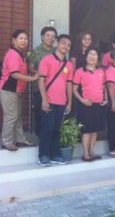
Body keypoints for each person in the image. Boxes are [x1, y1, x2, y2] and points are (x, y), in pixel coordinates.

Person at [37, 34, 73, 166]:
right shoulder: (47, 60)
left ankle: (55, 155)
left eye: (68, 45)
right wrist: (44, 100)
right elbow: (41, 81)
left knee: (57, 129)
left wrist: (69, 102)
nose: (66, 46)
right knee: (47, 128)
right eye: (63, 43)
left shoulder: (69, 64)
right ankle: (43, 155)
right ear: (57, 44)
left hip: (61, 102)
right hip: (49, 100)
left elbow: (69, 84)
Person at [0, 29, 39, 151]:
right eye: (21, 38)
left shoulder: (20, 54)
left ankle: (20, 139)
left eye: (25, 39)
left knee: (17, 116)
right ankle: (6, 141)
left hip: (16, 90)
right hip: (9, 89)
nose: (23, 41)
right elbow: (14, 74)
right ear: (14, 40)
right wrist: (32, 78)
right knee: (11, 116)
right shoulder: (12, 54)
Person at [73, 47, 107, 162]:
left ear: (98, 57)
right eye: (90, 54)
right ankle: (86, 154)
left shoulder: (101, 71)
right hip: (86, 105)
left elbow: (104, 87)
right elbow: (74, 89)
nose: (92, 57)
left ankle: (92, 152)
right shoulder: (79, 71)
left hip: (99, 104)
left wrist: (106, 98)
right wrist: (82, 100)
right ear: (86, 57)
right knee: (87, 130)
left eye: (95, 54)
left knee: (95, 129)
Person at [29, 26, 57, 136]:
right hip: (40, 89)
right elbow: (30, 68)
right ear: (42, 37)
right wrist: (40, 73)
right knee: (40, 115)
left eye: (53, 36)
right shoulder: (35, 51)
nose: (50, 38)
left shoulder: (57, 50)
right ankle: (40, 138)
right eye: (48, 36)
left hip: (55, 90)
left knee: (53, 117)